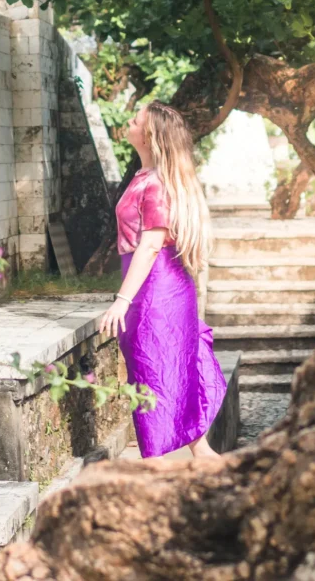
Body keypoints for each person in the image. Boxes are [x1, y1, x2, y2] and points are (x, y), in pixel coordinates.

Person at [99, 101, 226, 460]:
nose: (129, 120)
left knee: (152, 374)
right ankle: (203, 459)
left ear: (149, 135)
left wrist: (122, 299)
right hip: (159, 286)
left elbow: (152, 244)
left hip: (156, 289)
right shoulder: (148, 178)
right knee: (164, 369)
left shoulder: (155, 184)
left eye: (136, 119)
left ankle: (155, 464)